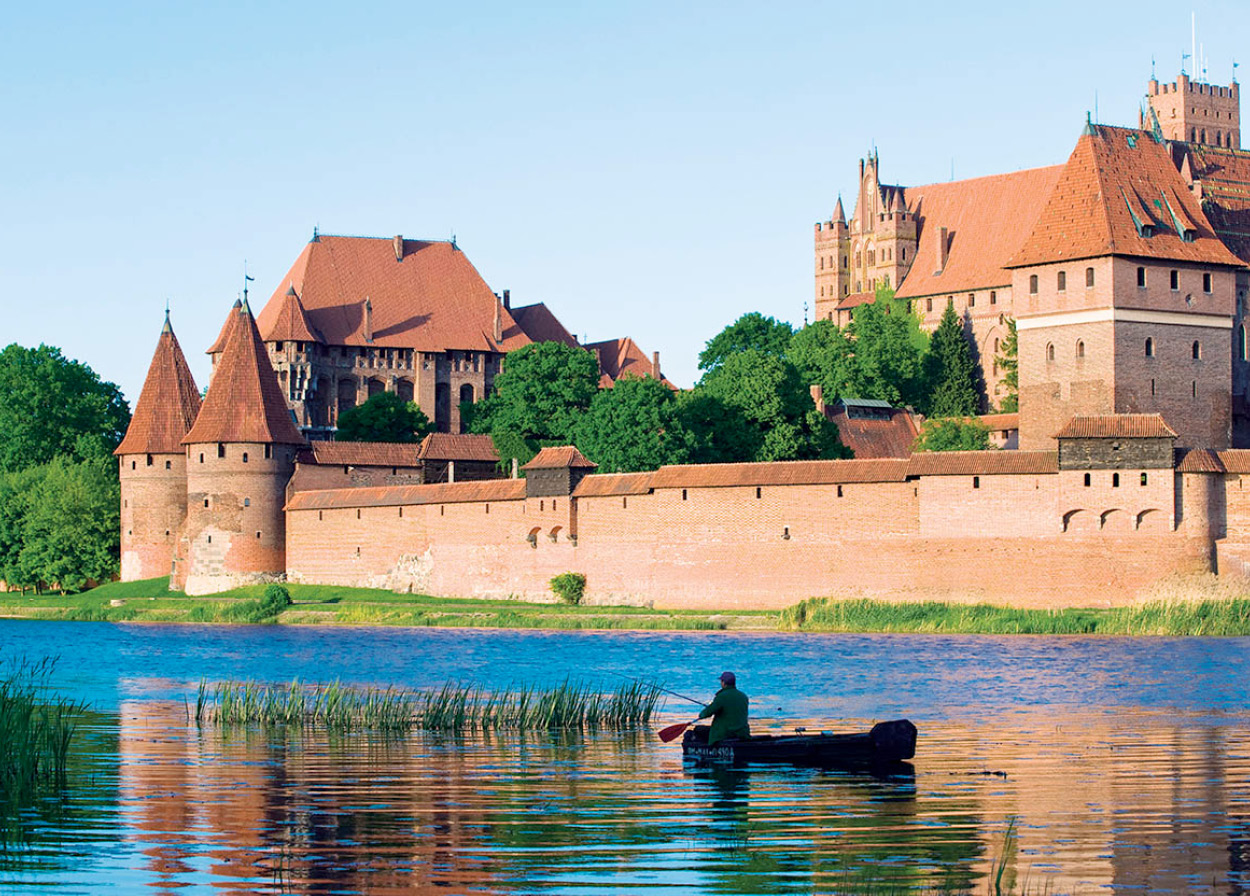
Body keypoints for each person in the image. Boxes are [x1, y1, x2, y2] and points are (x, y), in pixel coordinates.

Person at [698, 671, 749, 746]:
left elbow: (706, 713)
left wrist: (702, 714)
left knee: (698, 730)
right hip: (742, 733)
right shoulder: (743, 696)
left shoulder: (721, 697)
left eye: (721, 681)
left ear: (723, 683)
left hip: (725, 734)